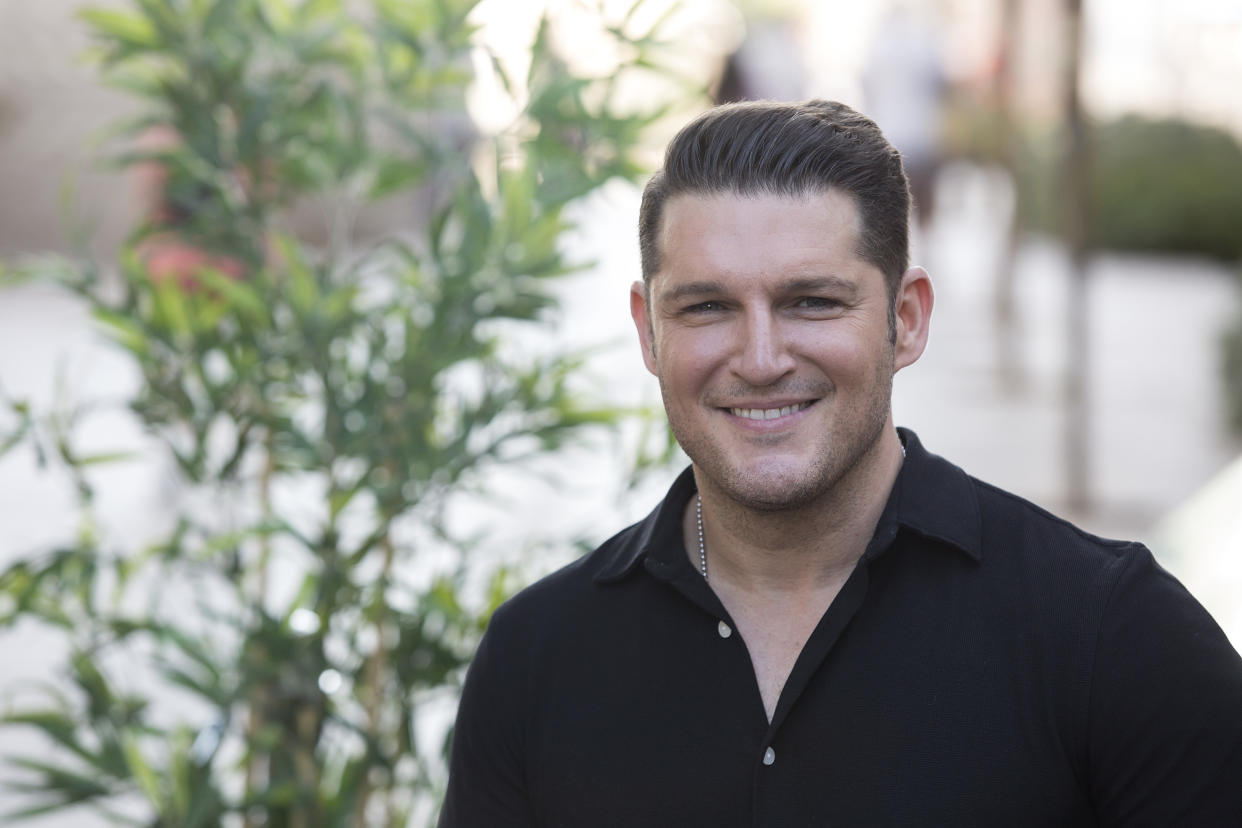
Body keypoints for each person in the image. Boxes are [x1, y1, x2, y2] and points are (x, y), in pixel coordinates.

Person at [438, 100, 1242, 826]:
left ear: (907, 318)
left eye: (811, 302)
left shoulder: (1113, 638)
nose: (759, 358)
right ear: (649, 331)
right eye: (708, 306)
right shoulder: (537, 657)